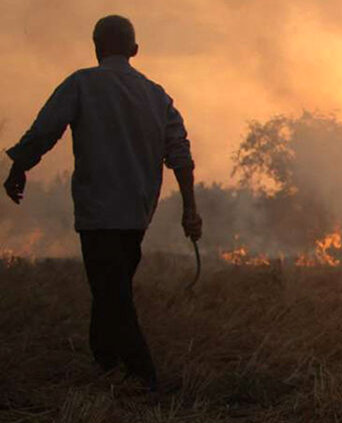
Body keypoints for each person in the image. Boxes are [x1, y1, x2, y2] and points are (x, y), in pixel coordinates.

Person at [3, 15, 202, 391]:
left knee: (113, 292)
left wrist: (18, 167)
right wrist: (190, 209)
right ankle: (106, 362)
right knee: (112, 286)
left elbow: (45, 130)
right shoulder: (157, 95)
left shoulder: (82, 83)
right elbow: (180, 154)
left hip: (98, 211)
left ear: (96, 48)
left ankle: (144, 377)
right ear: (134, 50)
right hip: (138, 213)